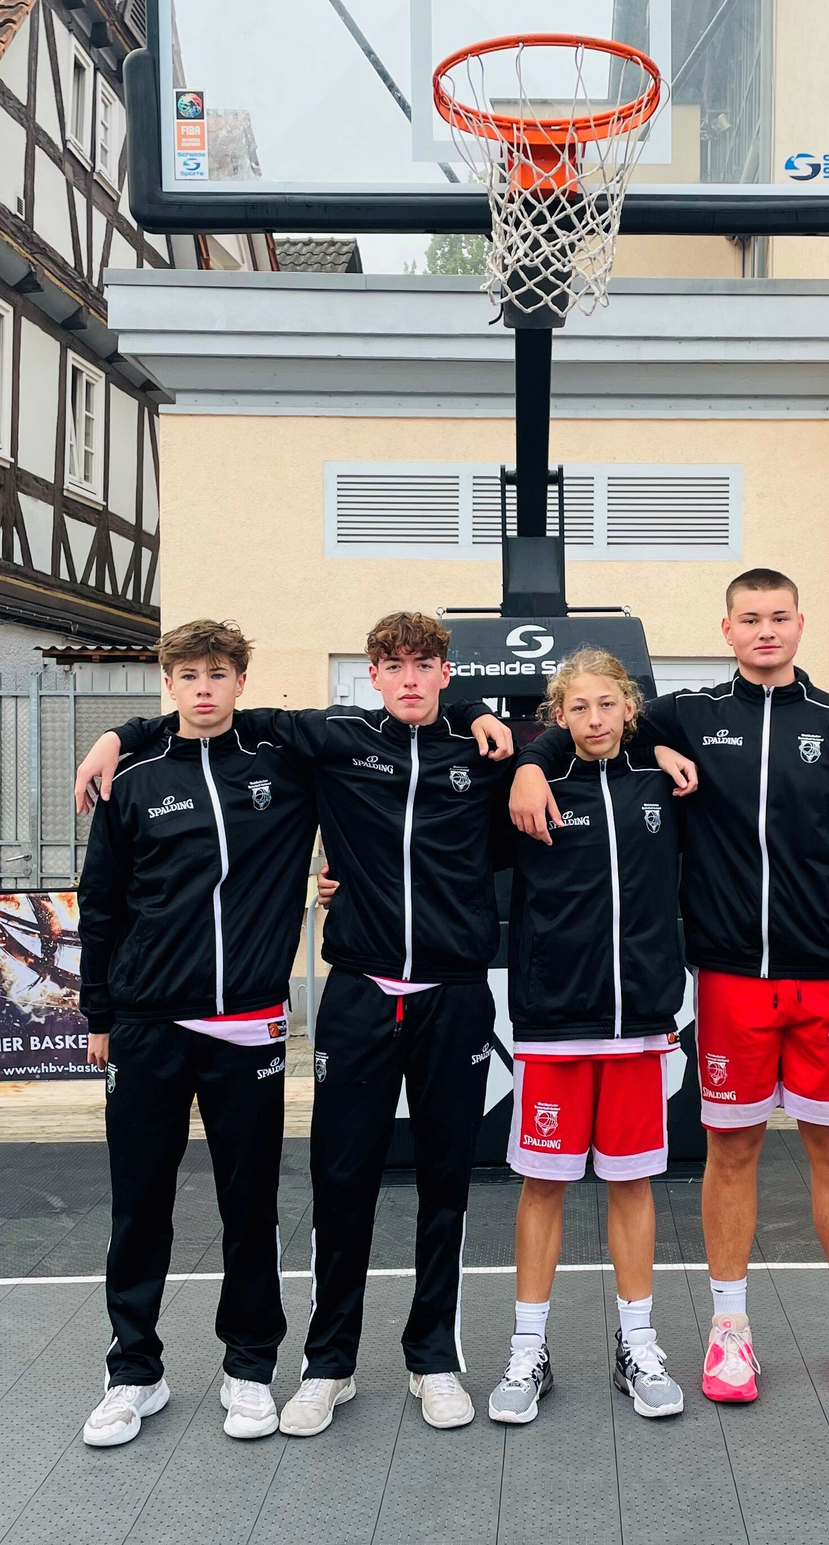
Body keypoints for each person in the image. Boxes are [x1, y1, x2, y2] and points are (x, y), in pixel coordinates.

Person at [77, 612, 513, 1435]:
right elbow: (103, 898)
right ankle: (305, 1366)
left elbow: (577, 736)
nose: (409, 677)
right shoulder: (319, 743)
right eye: (393, 664)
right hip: (284, 1003)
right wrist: (117, 733)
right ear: (371, 674)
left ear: (445, 672)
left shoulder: (472, 755)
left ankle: (415, 1359)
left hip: (426, 998)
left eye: (424, 664)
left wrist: (498, 732)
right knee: (301, 1190)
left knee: (425, 1190)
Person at [511, 569, 829, 1403]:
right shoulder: (689, 714)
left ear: (800, 623)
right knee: (732, 1149)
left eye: (778, 616)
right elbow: (590, 722)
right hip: (730, 981)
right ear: (726, 629)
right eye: (749, 618)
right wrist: (531, 766)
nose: (765, 630)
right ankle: (731, 1330)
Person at [78, 620, 319, 1447]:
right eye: (188, 674)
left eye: (218, 673)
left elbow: (380, 741)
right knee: (140, 1203)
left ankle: (248, 1366)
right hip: (147, 1024)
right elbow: (101, 904)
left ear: (241, 681)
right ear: (170, 683)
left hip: (247, 1023)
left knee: (248, 1204)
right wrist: (100, 1014)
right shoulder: (134, 779)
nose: (204, 687)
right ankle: (133, 1372)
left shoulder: (282, 766)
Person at [491, 648, 694, 1423]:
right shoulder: (534, 786)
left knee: (632, 1183)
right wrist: (341, 880)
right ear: (558, 715)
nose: (595, 717)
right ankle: (527, 1351)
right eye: (578, 706)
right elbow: (441, 850)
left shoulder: (659, 781)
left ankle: (637, 1345)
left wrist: (656, 747)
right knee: (542, 1185)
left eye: (607, 703)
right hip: (554, 1024)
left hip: (639, 1024)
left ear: (630, 708)